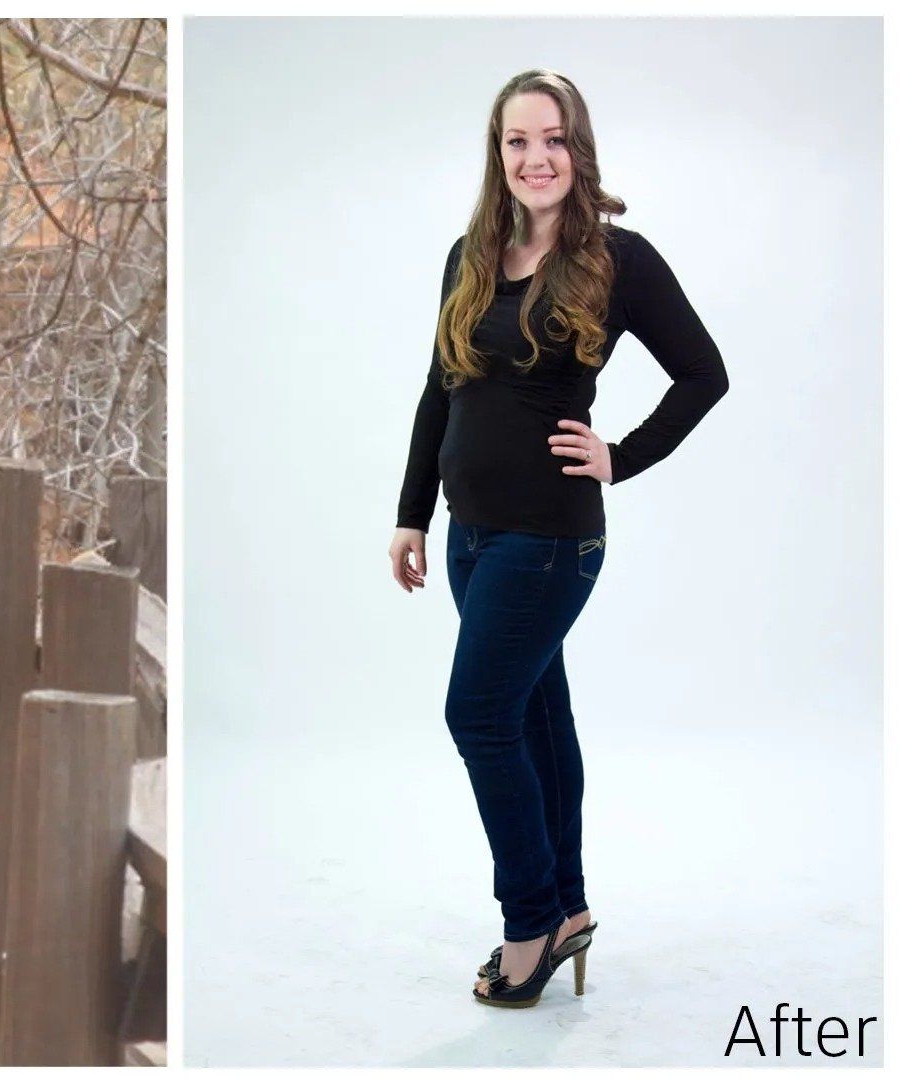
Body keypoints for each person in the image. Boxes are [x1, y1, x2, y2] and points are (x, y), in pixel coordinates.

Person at [387, 69, 728, 1008]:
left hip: (548, 542)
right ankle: (568, 908)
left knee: (477, 716)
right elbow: (439, 390)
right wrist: (414, 512)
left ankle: (529, 922)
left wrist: (622, 456)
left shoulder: (619, 260)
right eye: (516, 141)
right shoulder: (470, 255)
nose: (535, 158)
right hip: (471, 539)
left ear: (579, 150)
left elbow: (704, 374)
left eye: (552, 139)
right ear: (496, 154)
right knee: (535, 719)